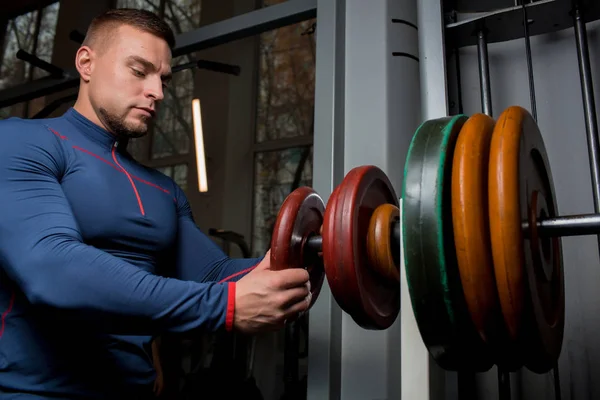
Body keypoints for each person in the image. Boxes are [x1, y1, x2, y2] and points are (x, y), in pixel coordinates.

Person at [0, 8, 312, 399]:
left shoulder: (162, 191)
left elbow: (215, 272)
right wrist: (225, 305)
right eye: (139, 71)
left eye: (162, 79)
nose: (158, 92)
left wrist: (308, 254)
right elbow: (52, 266)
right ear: (86, 62)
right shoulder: (22, 142)